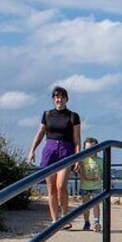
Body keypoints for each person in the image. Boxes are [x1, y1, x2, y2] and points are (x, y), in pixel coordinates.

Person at [27, 86, 81, 229]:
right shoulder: (47, 114)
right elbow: (40, 134)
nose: (59, 99)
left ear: (66, 99)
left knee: (61, 185)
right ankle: (54, 220)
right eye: (57, 97)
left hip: (66, 150)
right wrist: (32, 150)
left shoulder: (73, 116)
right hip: (50, 150)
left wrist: (77, 158)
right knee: (51, 188)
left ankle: (65, 217)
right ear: (53, 99)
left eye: (62, 97)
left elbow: (77, 139)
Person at [78, 137, 103, 231]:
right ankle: (86, 222)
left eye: (93, 148)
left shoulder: (100, 160)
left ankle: (96, 222)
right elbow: (77, 169)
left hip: (96, 186)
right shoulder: (82, 160)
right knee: (85, 206)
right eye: (88, 148)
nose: (90, 151)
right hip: (84, 186)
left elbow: (103, 173)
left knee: (96, 204)